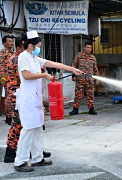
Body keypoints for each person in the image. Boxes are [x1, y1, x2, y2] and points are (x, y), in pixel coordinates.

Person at [13, 31, 83, 172]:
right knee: (28, 129)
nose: (39, 48)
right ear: (31, 46)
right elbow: (26, 75)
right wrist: (44, 75)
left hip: (36, 99)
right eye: (38, 46)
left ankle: (38, 158)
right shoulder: (23, 57)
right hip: (27, 99)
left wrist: (72, 69)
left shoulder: (34, 58)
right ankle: (20, 161)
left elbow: (53, 63)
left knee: (38, 128)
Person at [4, 36, 51, 163]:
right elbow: (27, 75)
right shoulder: (16, 59)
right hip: (17, 95)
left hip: (31, 95)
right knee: (19, 124)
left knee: (35, 124)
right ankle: (11, 151)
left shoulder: (31, 58)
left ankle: (35, 152)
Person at [69, 42, 99, 115]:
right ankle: (75, 109)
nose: (89, 49)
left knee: (90, 94)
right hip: (80, 79)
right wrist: (73, 76)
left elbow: (95, 69)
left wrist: (97, 79)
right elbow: (73, 65)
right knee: (78, 94)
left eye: (90, 48)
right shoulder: (79, 56)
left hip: (90, 79)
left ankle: (91, 109)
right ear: (84, 48)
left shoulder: (93, 58)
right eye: (88, 47)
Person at [0, 35, 14, 125]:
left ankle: (11, 116)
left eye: (12, 41)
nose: (11, 43)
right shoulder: (2, 53)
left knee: (11, 96)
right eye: (9, 41)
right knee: (9, 96)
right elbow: (1, 66)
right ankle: (9, 116)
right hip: (6, 78)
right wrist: (3, 77)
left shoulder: (13, 53)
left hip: (13, 78)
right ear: (4, 43)